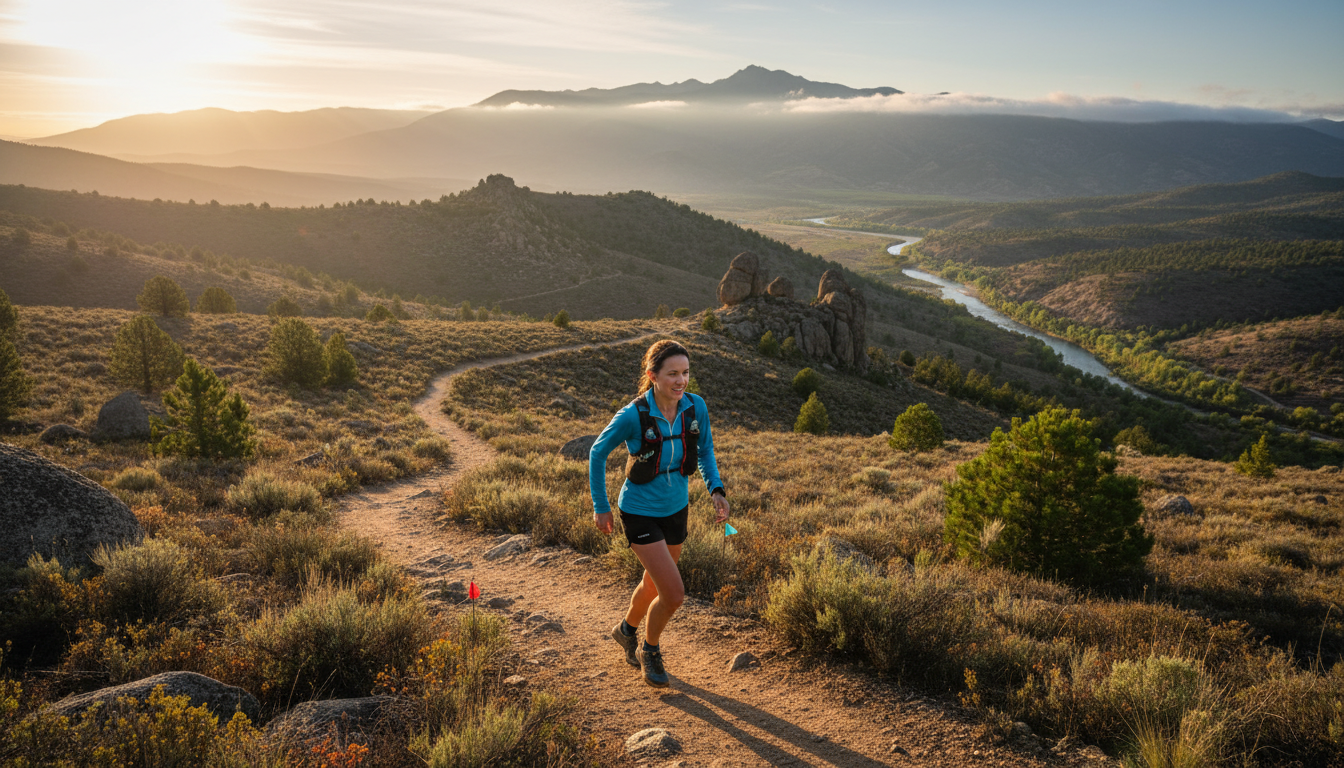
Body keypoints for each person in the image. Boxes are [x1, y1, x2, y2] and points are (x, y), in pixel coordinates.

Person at [589, 339, 729, 687]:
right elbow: (597, 453)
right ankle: (649, 651)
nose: (681, 381)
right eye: (672, 374)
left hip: (676, 509)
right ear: (653, 376)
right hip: (638, 510)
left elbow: (705, 451)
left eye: (685, 373)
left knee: (653, 583)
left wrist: (716, 489)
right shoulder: (633, 415)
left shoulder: (696, 408)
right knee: (674, 594)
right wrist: (600, 507)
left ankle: (625, 630)